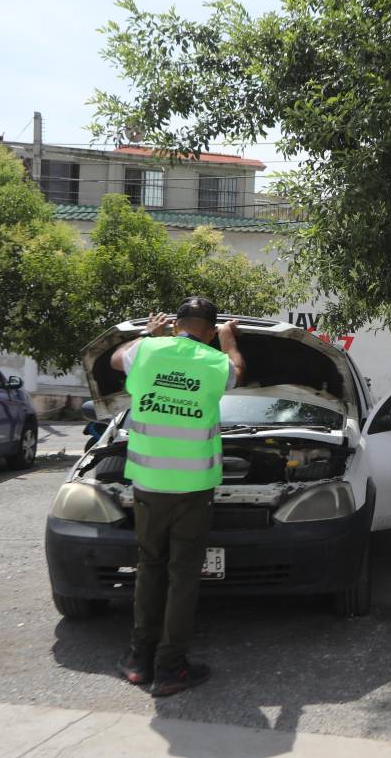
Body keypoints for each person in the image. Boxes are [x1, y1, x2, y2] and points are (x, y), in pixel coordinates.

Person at [111, 297, 244, 697]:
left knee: (149, 566)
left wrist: (147, 335)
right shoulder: (215, 361)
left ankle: (139, 659)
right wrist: (229, 340)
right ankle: (170, 668)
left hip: (148, 484)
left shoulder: (147, 351)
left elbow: (115, 359)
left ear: (175, 325)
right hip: (192, 488)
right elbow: (237, 371)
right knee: (183, 575)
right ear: (210, 331)